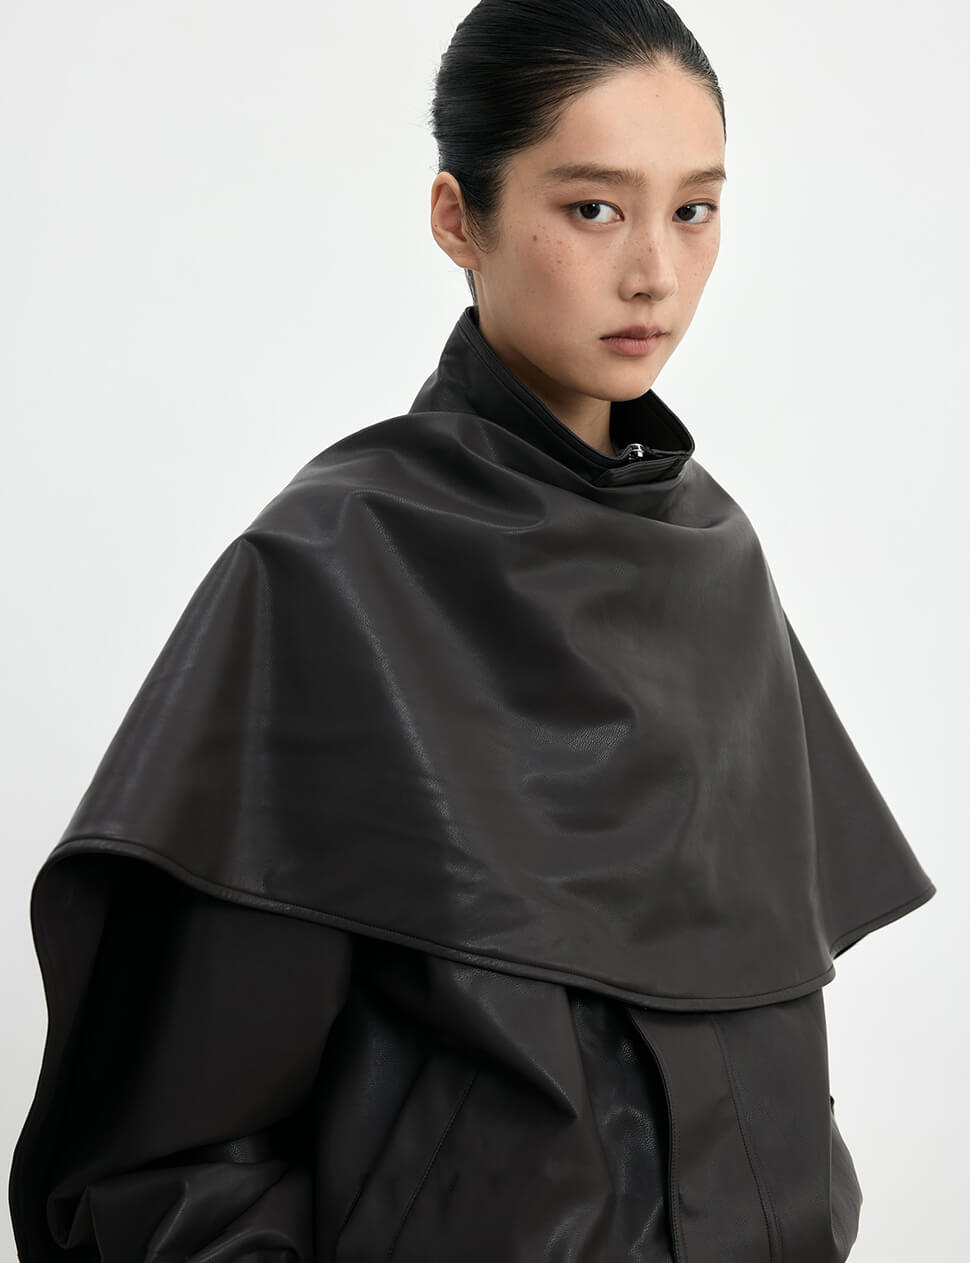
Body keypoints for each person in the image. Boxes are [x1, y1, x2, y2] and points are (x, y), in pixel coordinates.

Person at [8, 2, 936, 1260]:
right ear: (459, 218)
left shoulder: (716, 563)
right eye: (594, 207)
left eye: (694, 209)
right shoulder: (330, 574)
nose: (654, 273)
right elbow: (164, 1173)